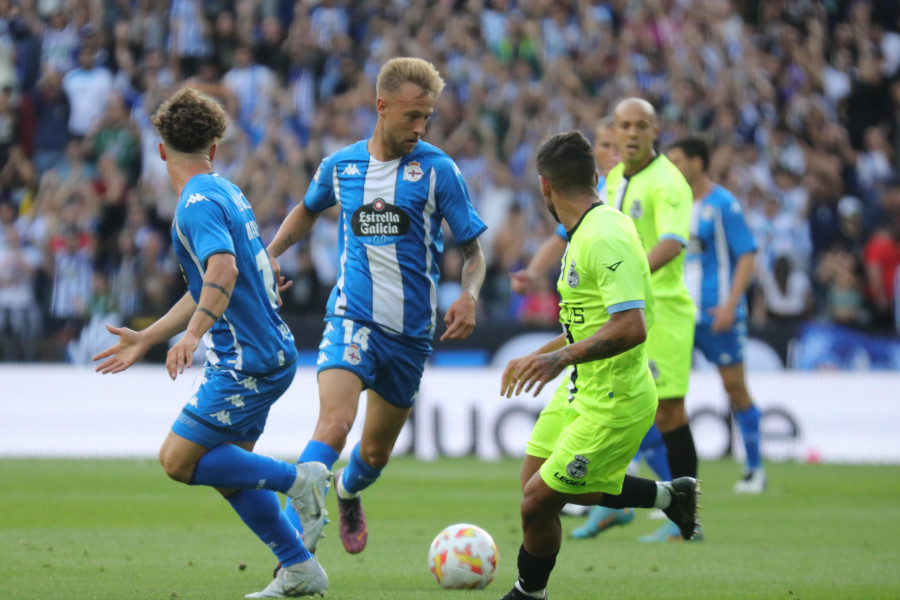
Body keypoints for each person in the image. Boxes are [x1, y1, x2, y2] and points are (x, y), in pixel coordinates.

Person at [91, 87, 331, 599]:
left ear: (160, 150)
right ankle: (299, 569)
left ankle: (300, 480)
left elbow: (221, 268)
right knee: (229, 473)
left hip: (246, 360)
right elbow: (212, 281)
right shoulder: (224, 190)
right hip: (267, 352)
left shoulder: (194, 205)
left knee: (177, 461)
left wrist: (194, 335)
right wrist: (151, 336)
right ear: (214, 149)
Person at [266, 57, 487, 556]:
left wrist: (468, 295)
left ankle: (346, 491)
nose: (420, 127)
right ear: (381, 107)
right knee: (335, 425)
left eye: (426, 117)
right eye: (412, 115)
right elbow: (307, 209)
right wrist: (269, 255)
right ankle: (289, 546)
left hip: (409, 337)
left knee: (373, 454)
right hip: (352, 318)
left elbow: (473, 252)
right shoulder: (340, 166)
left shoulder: (438, 170)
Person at [498, 131, 700, 600]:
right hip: (581, 389)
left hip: (615, 399)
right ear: (595, 176)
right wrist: (542, 354)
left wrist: (559, 358)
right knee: (541, 484)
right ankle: (671, 496)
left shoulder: (603, 235)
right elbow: (587, 323)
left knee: (536, 502)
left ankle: (528, 593)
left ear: (544, 187)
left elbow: (631, 328)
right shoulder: (586, 231)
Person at [598, 97, 699, 543]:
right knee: (622, 403)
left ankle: (686, 518)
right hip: (629, 310)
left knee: (670, 413)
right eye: (625, 126)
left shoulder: (669, 182)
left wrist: (628, 277)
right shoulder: (616, 177)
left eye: (641, 125)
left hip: (665, 312)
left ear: (655, 131)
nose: (633, 133)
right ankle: (608, 500)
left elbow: (673, 243)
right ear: (614, 132)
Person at [666, 135, 766, 493]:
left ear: (697, 162)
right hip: (676, 313)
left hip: (716, 313)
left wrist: (731, 304)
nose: (671, 167)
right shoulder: (670, 203)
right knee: (664, 396)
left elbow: (747, 254)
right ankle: (670, 483)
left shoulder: (723, 204)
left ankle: (755, 469)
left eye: (677, 160)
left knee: (735, 388)